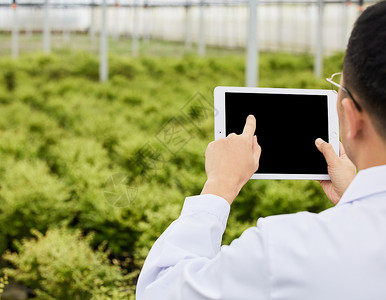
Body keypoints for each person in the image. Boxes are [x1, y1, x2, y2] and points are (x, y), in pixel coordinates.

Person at [135, 1, 386, 299]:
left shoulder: (284, 252)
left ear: (353, 116)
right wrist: (353, 197)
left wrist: (219, 186)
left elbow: (159, 290)